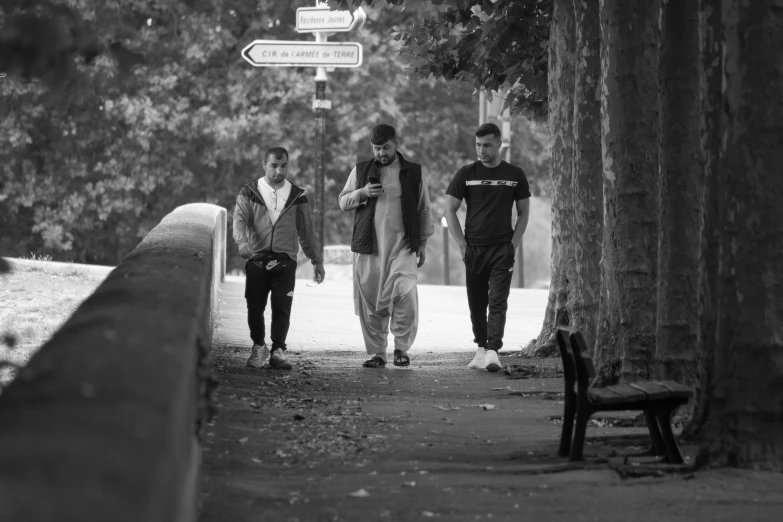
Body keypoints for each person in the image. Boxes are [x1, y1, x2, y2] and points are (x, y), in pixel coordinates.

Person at [338, 124, 433, 368]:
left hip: (402, 247)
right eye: (377, 148)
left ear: (396, 144)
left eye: (386, 147)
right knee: (371, 302)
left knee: (406, 295)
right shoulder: (360, 171)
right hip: (369, 249)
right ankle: (377, 353)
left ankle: (401, 348)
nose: (381, 153)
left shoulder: (413, 172)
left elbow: (423, 209)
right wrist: (362, 192)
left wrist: (421, 243)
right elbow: (343, 202)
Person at [444, 123, 531, 372]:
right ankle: (480, 349)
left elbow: (524, 213)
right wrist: (461, 244)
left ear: (499, 144)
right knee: (476, 302)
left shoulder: (515, 175)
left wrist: (512, 245)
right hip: (474, 249)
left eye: (487, 145)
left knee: (498, 300)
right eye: (478, 145)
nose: (482, 150)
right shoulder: (466, 174)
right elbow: (449, 210)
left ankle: (493, 350)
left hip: (502, 249)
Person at [233, 146, 325, 370]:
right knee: (255, 306)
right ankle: (258, 347)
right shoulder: (249, 191)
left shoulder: (297, 196)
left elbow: (306, 231)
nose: (279, 171)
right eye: (274, 165)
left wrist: (316, 260)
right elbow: (239, 219)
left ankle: (278, 351)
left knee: (282, 306)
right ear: (265, 165)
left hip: (285, 260)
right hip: (257, 258)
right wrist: (242, 242)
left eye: (284, 166)